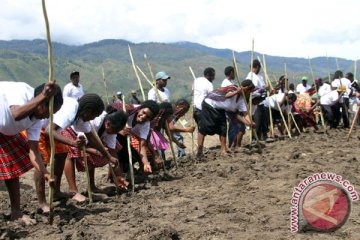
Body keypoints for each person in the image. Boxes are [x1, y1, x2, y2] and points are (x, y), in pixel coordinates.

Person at [0, 81, 62, 224]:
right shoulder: (21, 92)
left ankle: (16, 212)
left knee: (12, 167)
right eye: (48, 112)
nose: (48, 117)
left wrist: (46, 173)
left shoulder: (37, 120)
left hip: (5, 131)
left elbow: (33, 151)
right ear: (40, 105)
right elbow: (15, 114)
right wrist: (43, 95)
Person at [42, 94, 119, 202]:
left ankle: (56, 192)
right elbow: (49, 130)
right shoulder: (71, 110)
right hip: (39, 127)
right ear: (88, 111)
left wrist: (108, 156)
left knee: (62, 154)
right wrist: (73, 143)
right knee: (42, 161)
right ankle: (42, 202)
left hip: (52, 130)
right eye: (94, 115)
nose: (94, 119)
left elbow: (92, 138)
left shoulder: (80, 118)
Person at [63, 109, 129, 200]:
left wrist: (118, 175)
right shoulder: (94, 122)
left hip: (89, 137)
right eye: (114, 130)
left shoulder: (112, 127)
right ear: (108, 124)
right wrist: (98, 152)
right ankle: (73, 191)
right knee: (71, 155)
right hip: (73, 131)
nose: (115, 133)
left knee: (98, 154)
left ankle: (92, 187)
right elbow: (82, 145)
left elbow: (113, 152)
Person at [197, 80, 255, 156]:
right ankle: (199, 151)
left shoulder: (242, 100)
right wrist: (237, 91)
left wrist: (249, 122)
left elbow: (243, 114)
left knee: (223, 127)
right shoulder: (233, 88)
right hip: (209, 103)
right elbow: (227, 96)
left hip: (220, 109)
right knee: (204, 127)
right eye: (250, 91)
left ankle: (223, 150)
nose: (250, 93)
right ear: (246, 89)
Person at [116, 100, 159, 174]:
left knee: (135, 156)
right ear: (139, 109)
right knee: (118, 154)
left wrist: (145, 163)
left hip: (123, 137)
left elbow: (142, 145)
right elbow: (109, 126)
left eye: (148, 117)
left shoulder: (145, 124)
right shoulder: (126, 110)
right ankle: (115, 175)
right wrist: (121, 129)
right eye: (143, 112)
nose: (143, 117)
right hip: (112, 133)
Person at [193, 67, 215, 155]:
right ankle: (199, 151)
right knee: (202, 130)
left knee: (201, 129)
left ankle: (200, 148)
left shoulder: (196, 80)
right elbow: (212, 98)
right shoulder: (209, 85)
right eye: (213, 76)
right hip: (202, 109)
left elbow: (193, 91)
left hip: (195, 108)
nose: (214, 78)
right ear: (209, 75)